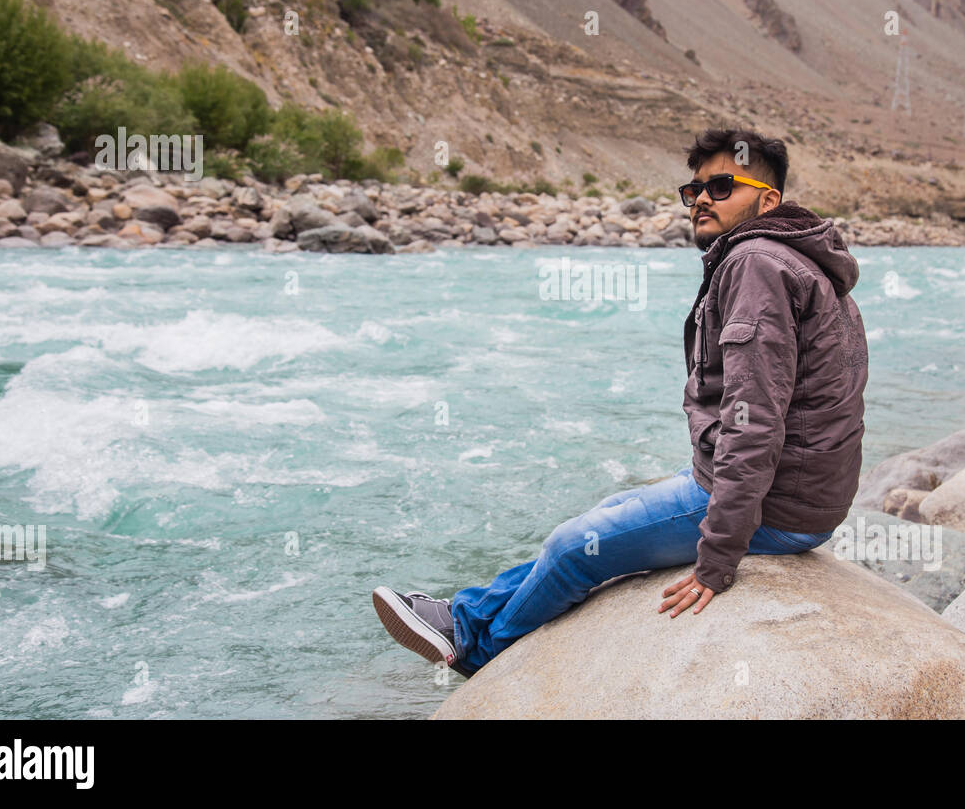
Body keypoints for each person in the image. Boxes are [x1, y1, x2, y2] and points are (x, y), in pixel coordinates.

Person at [372, 127, 869, 678]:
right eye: (694, 189)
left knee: (572, 546)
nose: (702, 198)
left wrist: (717, 561)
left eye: (723, 185)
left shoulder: (756, 263)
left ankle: (479, 653)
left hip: (778, 507)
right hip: (799, 492)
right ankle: (466, 614)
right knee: (605, 516)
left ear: (768, 200)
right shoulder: (789, 257)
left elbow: (755, 423)